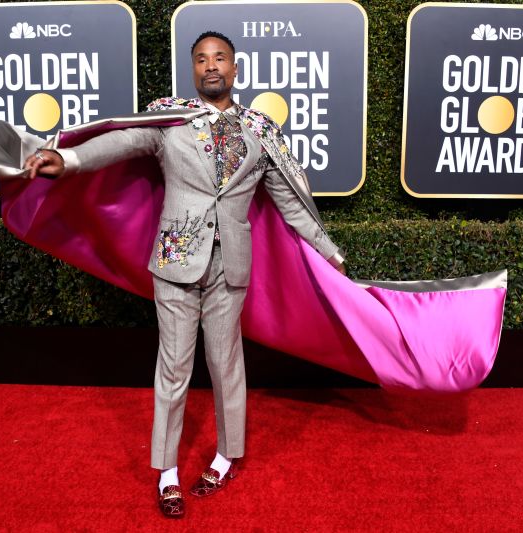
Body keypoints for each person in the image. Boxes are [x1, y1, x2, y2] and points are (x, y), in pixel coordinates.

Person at [24, 31, 346, 518]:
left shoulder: (261, 131)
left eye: (220, 58)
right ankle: (168, 472)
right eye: (201, 59)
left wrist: (329, 252)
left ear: (236, 70)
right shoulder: (170, 119)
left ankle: (224, 455)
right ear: (193, 70)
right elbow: (121, 140)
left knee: (226, 364)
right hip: (176, 261)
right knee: (173, 369)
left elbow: (291, 206)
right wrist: (67, 159)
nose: (210, 66)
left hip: (231, 265)